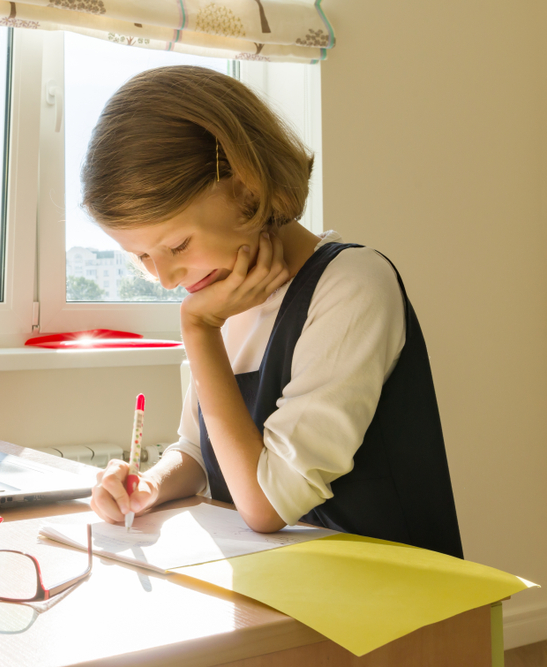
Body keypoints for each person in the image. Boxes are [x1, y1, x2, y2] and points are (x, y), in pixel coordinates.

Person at [84, 65, 463, 558]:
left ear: (246, 185)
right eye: (142, 258)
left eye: (176, 244)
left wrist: (199, 329)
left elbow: (266, 505)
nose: (165, 278)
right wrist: (150, 485)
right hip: (286, 588)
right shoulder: (224, 298)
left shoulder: (353, 285)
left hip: (393, 599)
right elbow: (201, 451)